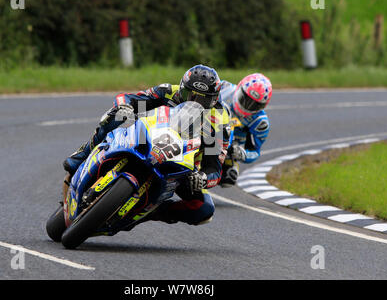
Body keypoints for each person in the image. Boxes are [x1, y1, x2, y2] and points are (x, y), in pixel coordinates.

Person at [62, 64, 231, 227]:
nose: (194, 102)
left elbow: (214, 169)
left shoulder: (218, 122)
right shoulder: (168, 91)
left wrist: (202, 178)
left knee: (204, 209)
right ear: (181, 88)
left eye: (203, 100)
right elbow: (130, 98)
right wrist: (124, 106)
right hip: (146, 139)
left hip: (183, 165)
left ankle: (152, 212)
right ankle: (84, 153)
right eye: (189, 94)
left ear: (214, 100)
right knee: (117, 116)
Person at [218, 73, 272, 187]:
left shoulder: (260, 122)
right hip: (206, 127)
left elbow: (255, 152)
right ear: (239, 87)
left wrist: (241, 153)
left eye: (254, 105)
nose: (247, 106)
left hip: (229, 147)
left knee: (229, 178)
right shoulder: (224, 88)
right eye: (244, 99)